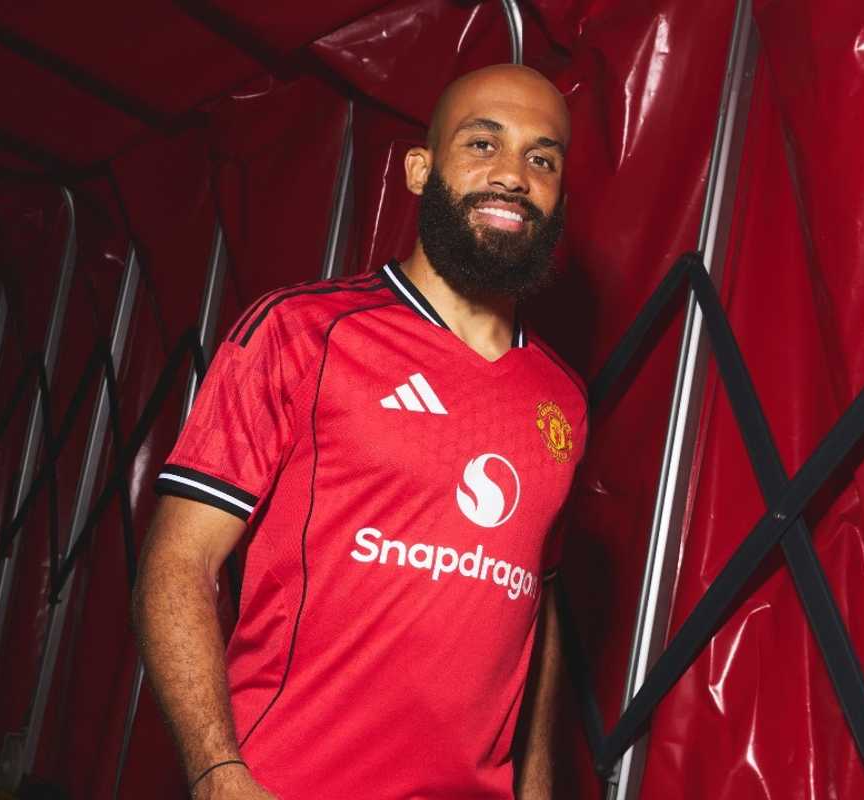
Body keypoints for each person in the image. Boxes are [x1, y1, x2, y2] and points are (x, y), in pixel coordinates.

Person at [133, 63, 586, 800]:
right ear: (420, 170)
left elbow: (538, 609)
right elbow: (179, 561)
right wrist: (218, 772)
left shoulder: (564, 399)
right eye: (482, 144)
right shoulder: (301, 331)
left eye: (543, 159)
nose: (513, 175)